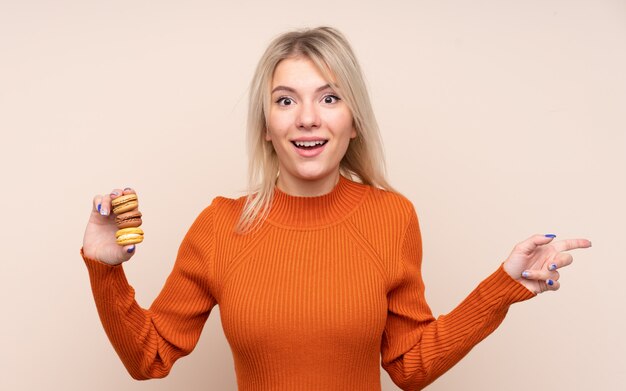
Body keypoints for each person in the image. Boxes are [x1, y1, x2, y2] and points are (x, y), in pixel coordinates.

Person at [81, 26, 591, 390]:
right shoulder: (220, 225)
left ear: (354, 121)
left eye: (329, 99)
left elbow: (410, 367)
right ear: (266, 124)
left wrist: (501, 289)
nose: (306, 118)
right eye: (285, 101)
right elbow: (149, 357)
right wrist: (105, 270)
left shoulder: (392, 217)